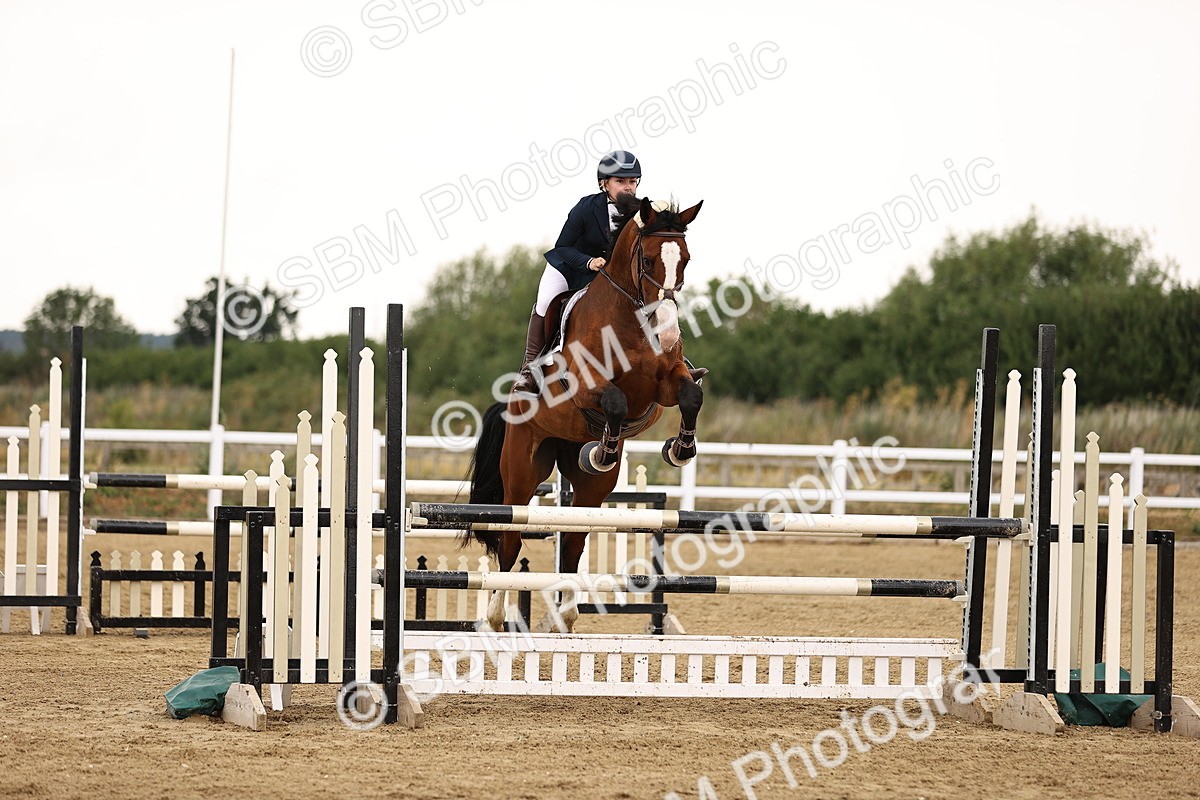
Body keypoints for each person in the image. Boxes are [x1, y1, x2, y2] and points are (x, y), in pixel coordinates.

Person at [512, 150, 642, 391]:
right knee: (545, 303)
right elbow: (562, 247)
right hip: (568, 268)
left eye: (632, 181)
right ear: (604, 183)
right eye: (620, 181)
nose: (628, 188)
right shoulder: (586, 208)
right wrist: (588, 262)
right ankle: (530, 370)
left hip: (605, 277)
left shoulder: (641, 213)